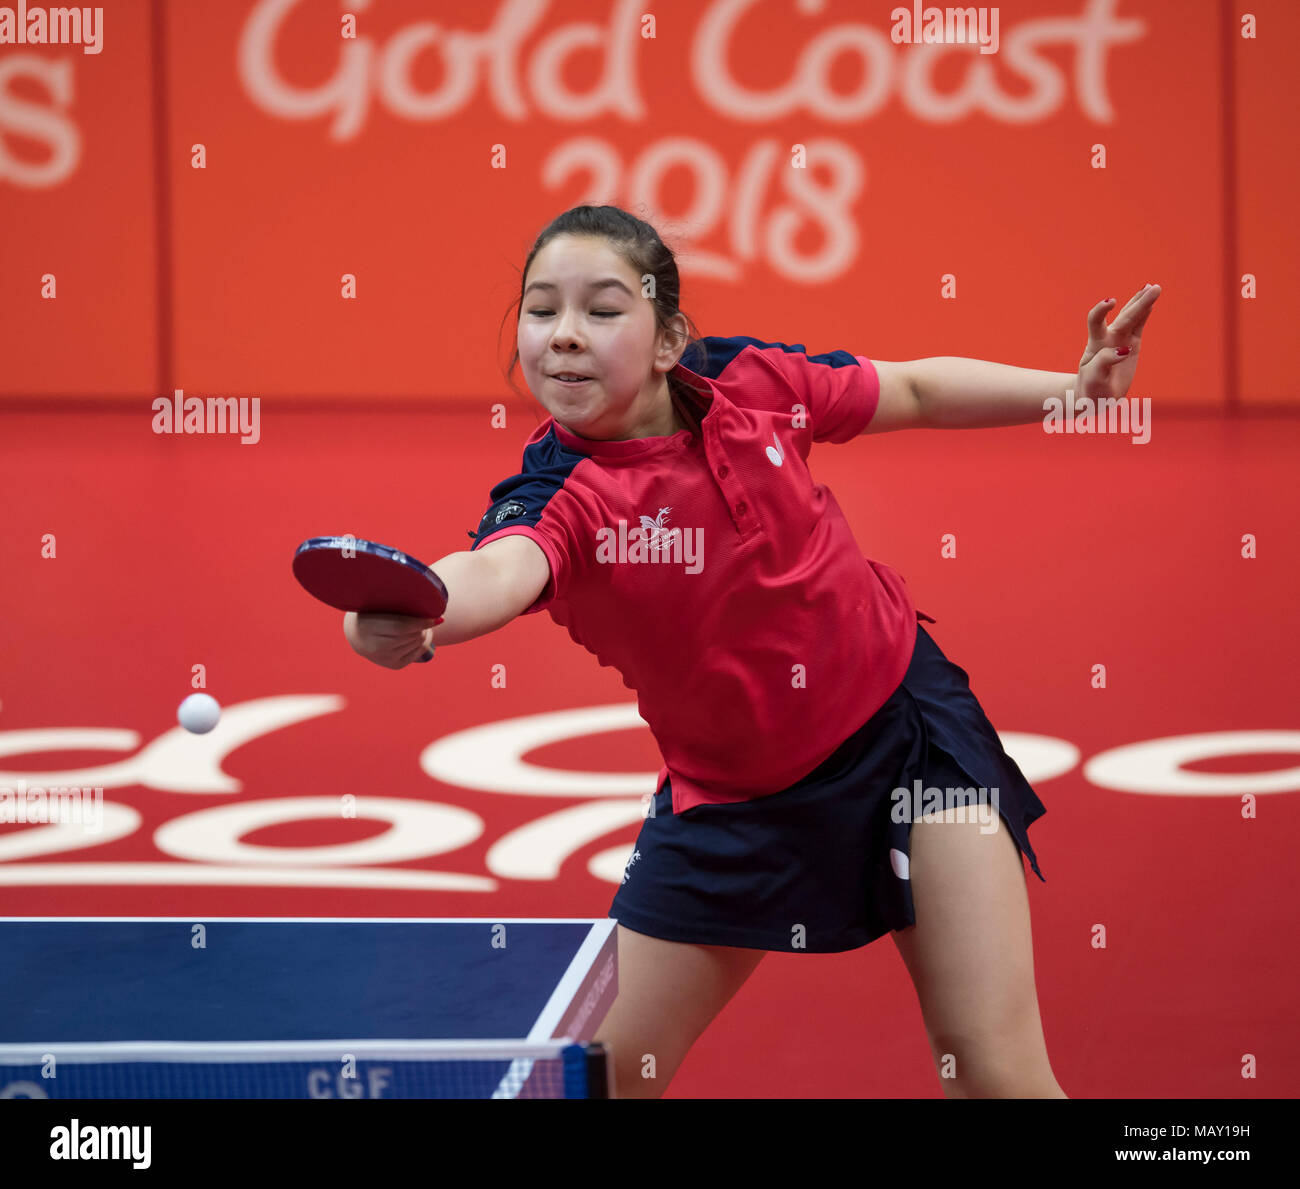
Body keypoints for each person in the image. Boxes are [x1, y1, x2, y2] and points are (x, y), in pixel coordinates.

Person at [344, 204, 1160, 1099]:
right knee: (596, 1083)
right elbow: (496, 570)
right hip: (731, 804)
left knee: (994, 1069)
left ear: (668, 340)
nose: (565, 336)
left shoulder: (747, 380)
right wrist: (417, 605)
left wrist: (1072, 390)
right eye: (542, 311)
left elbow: (915, 390)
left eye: (603, 309)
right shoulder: (559, 493)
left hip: (905, 737)